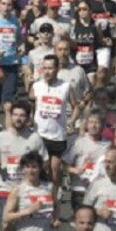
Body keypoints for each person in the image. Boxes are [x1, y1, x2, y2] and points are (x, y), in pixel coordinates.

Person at [0, 100, 49, 220]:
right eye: (15, 115)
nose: (18, 118)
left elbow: (45, 161)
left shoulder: (35, 138)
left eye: (22, 116)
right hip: (6, 188)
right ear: (10, 116)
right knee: (6, 226)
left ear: (28, 119)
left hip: (27, 189)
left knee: (24, 225)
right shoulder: (0, 137)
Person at [32, 53, 81, 196]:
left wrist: (71, 121)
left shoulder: (66, 87)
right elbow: (29, 104)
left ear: (57, 68)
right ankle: (38, 196)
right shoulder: (37, 86)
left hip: (58, 135)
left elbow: (76, 106)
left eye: (50, 68)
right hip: (39, 134)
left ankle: (54, 201)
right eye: (44, 68)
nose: (47, 71)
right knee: (40, 168)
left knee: (55, 170)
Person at [2, 151, 60, 231]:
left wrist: (55, 219)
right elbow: (6, 217)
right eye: (27, 167)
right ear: (22, 169)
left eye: (34, 167)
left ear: (40, 168)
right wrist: (28, 211)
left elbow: (56, 206)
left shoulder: (49, 187)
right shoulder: (18, 190)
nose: (31, 171)